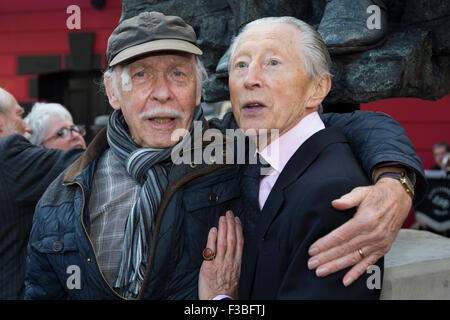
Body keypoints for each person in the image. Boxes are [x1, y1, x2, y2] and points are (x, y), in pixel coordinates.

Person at [25, 12, 423, 300]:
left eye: (178, 74)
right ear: (113, 93)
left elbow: (327, 128)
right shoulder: (64, 193)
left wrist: (395, 179)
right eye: (141, 75)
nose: (161, 92)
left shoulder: (234, 149)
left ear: (200, 91)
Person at [210, 16, 388, 299]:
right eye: (240, 65)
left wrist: (217, 299)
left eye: (273, 63)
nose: (250, 79)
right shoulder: (252, 159)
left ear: (317, 89)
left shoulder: (335, 194)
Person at [0, 87, 83, 299]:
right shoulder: (9, 157)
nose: (26, 126)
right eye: (19, 115)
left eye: (75, 129)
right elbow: (85, 164)